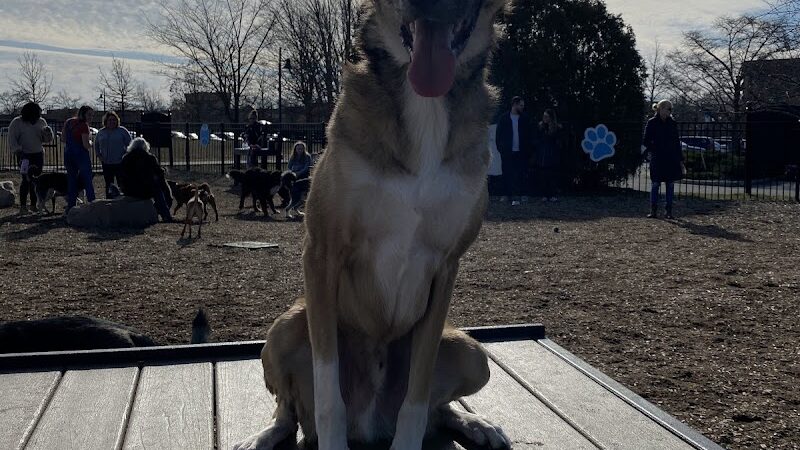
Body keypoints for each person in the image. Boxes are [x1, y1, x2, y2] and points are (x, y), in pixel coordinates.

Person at [8, 102, 53, 214]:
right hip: (24, 155)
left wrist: (48, 133)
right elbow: (12, 139)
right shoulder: (17, 123)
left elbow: (46, 139)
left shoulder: (41, 122)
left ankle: (33, 205)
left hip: (38, 154)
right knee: (26, 180)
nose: (38, 117)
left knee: (37, 180)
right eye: (36, 114)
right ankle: (23, 206)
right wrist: (18, 151)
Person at [643, 100, 684, 219]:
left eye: (671, 109)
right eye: (668, 109)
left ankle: (669, 211)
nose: (670, 111)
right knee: (655, 184)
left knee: (670, 184)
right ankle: (653, 209)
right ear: (661, 109)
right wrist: (654, 148)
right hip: (657, 157)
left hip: (670, 157)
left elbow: (676, 142)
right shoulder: (652, 122)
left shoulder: (672, 123)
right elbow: (646, 140)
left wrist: (680, 158)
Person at [119, 137, 173, 222]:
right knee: (160, 193)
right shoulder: (150, 157)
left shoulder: (126, 158)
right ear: (145, 146)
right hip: (147, 190)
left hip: (128, 190)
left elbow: (121, 174)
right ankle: (164, 215)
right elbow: (159, 173)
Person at [495, 96, 533, 205]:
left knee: (521, 173)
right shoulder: (504, 118)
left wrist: (528, 149)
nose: (522, 107)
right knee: (507, 173)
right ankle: (506, 194)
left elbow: (529, 135)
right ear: (514, 104)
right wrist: (501, 149)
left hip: (521, 151)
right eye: (520, 105)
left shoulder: (525, 118)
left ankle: (522, 194)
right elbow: (499, 135)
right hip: (507, 151)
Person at [62, 105, 97, 212]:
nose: (91, 117)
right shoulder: (84, 126)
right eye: (89, 115)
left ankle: (71, 207)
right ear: (83, 114)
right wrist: (91, 142)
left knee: (72, 181)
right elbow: (86, 144)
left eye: (92, 115)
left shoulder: (68, 122)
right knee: (87, 180)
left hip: (68, 154)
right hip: (81, 155)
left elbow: (63, 138)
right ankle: (92, 205)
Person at [95, 111, 131, 198]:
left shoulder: (122, 131)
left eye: (114, 120)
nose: (112, 122)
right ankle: (109, 202)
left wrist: (126, 156)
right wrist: (99, 155)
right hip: (106, 163)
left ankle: (123, 201)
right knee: (108, 184)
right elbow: (96, 145)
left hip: (120, 162)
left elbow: (130, 144)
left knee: (121, 183)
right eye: (110, 120)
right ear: (106, 121)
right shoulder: (101, 132)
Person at [533, 108, 564, 202]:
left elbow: (559, 141)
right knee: (543, 174)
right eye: (544, 116)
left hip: (552, 153)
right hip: (542, 153)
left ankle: (552, 193)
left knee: (552, 174)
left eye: (546, 116)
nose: (544, 118)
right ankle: (544, 194)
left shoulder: (557, 128)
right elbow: (537, 139)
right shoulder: (540, 127)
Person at [285, 141, 312, 218]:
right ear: (295, 149)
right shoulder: (293, 156)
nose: (300, 150)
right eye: (298, 148)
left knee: (304, 197)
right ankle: (288, 210)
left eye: (301, 148)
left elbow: (307, 167)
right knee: (296, 197)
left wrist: (298, 173)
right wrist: (293, 173)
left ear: (304, 149)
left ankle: (296, 208)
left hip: (304, 176)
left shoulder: (307, 156)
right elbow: (289, 167)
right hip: (294, 177)